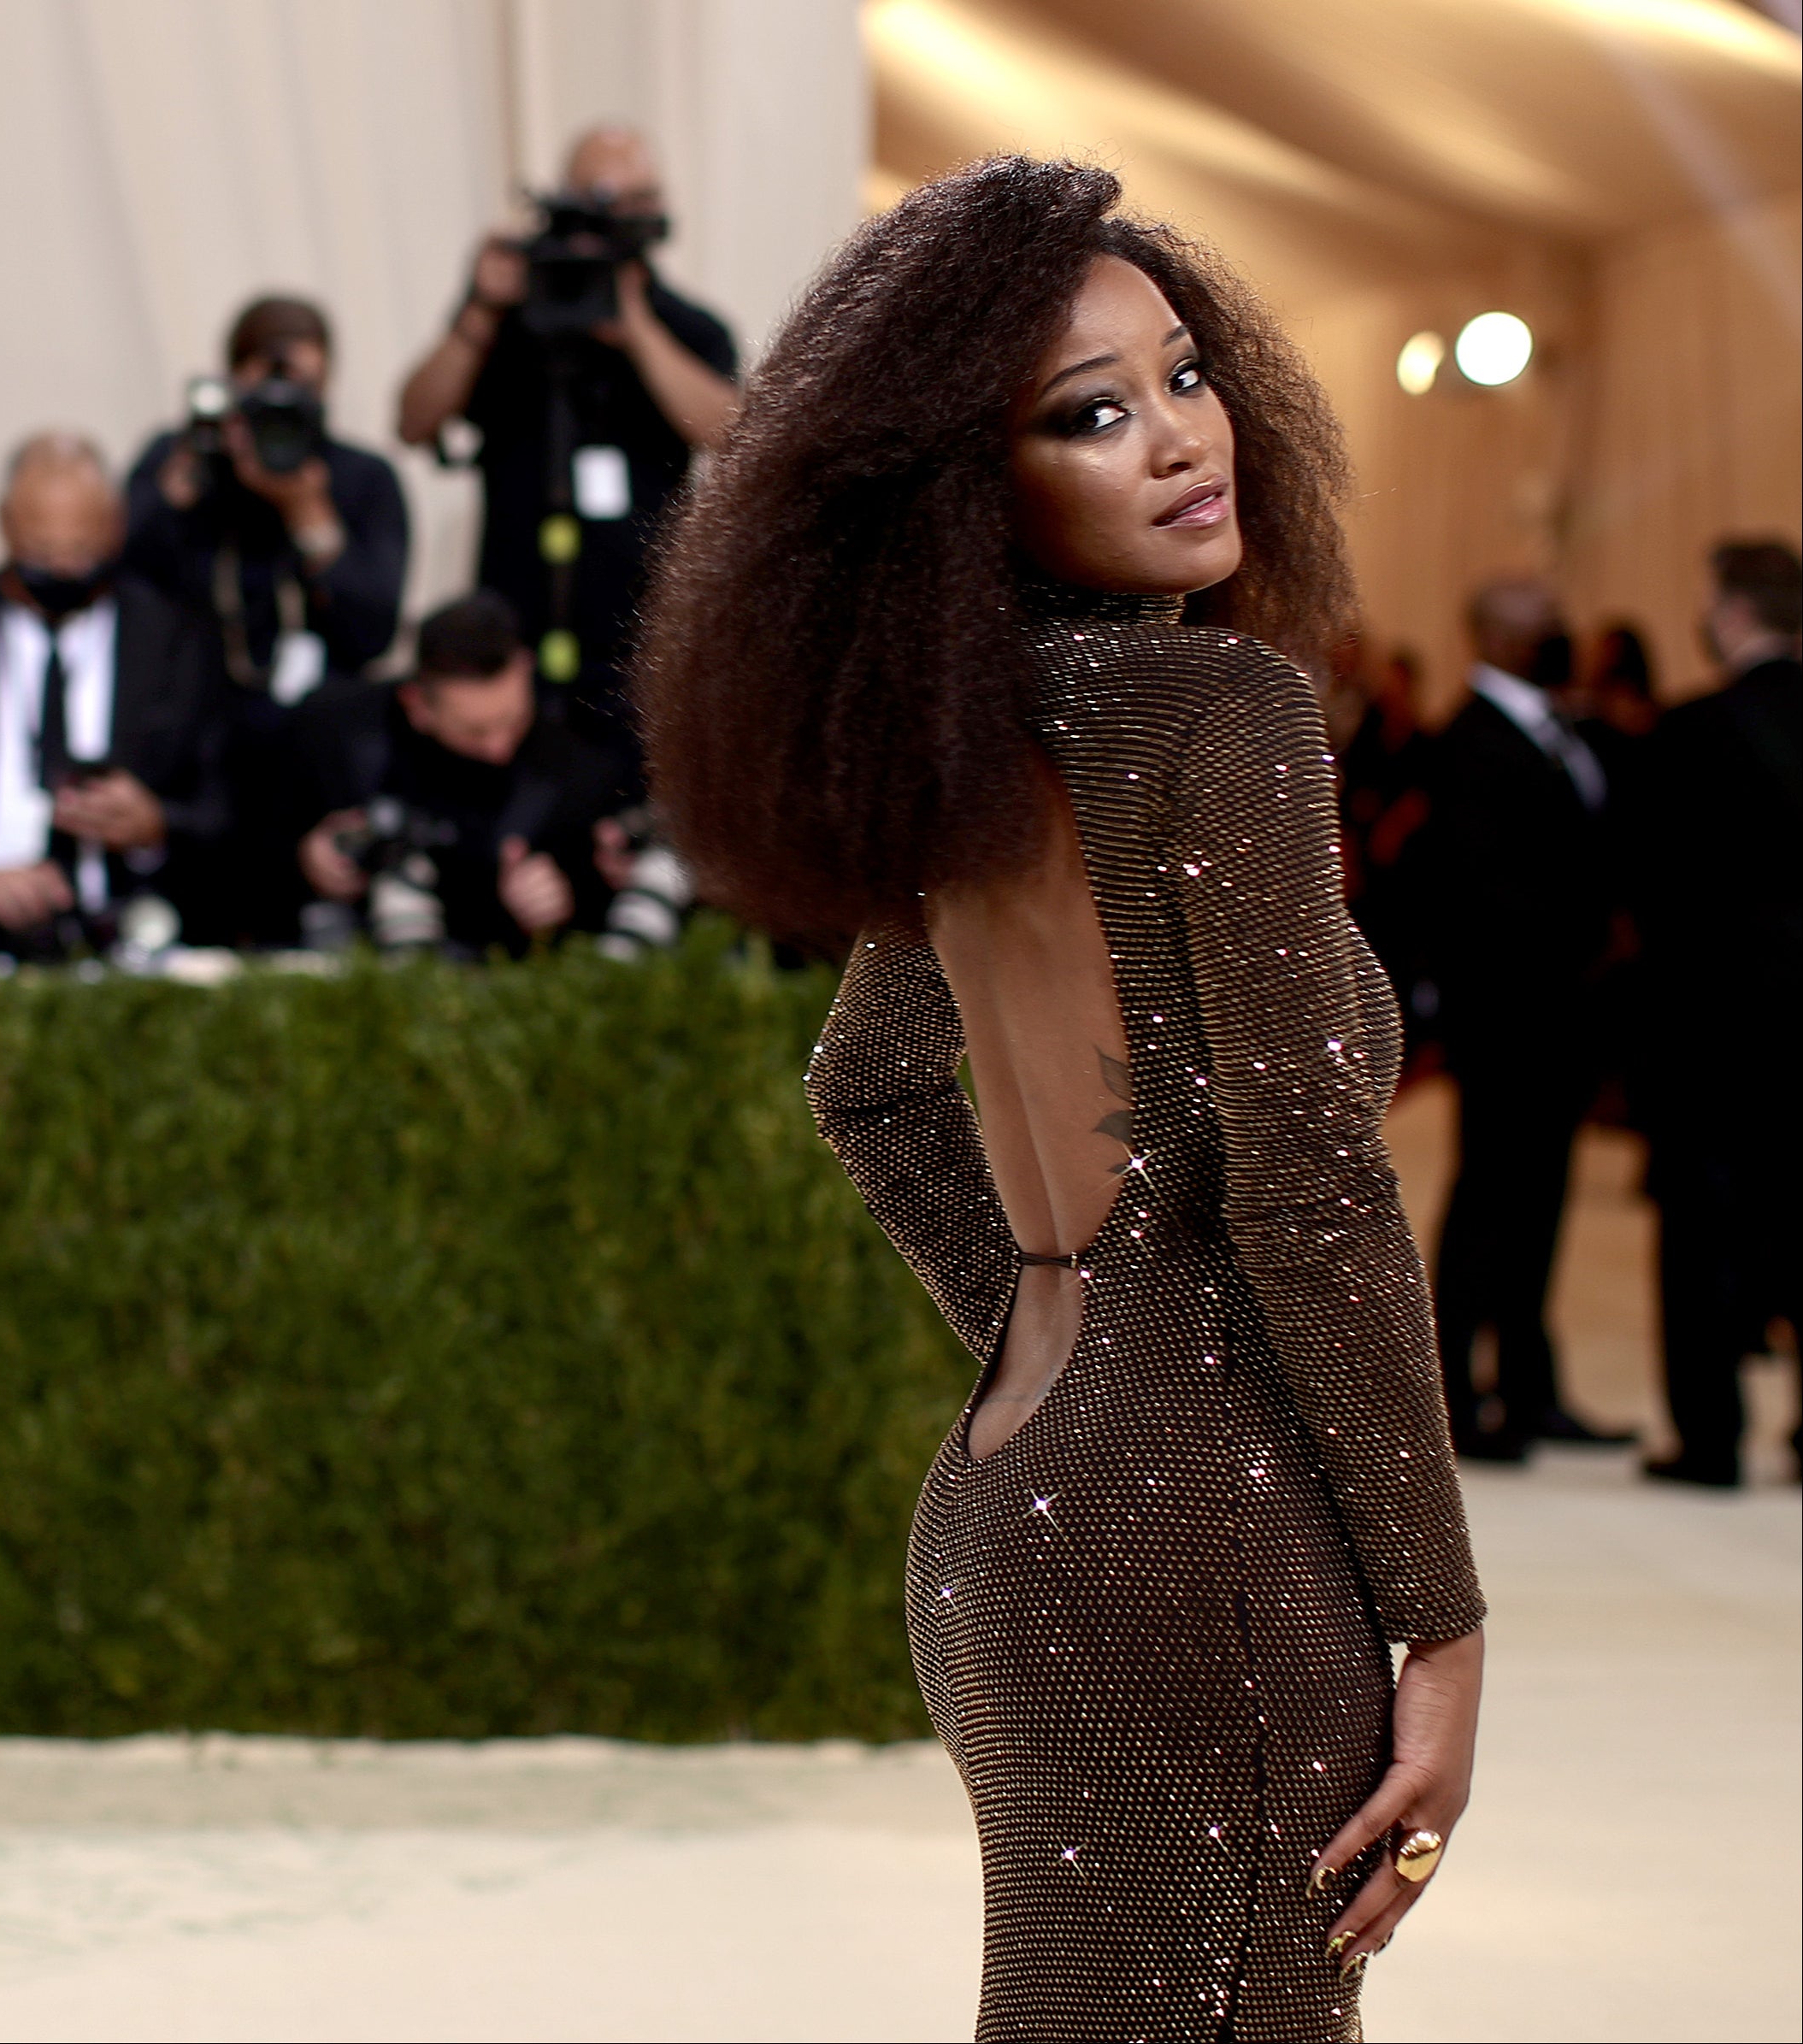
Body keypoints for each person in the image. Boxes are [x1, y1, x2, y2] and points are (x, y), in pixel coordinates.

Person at [636, 158, 1485, 2035]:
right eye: (1087, 415)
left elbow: (864, 1091)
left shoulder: (958, 751)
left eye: (1182, 374)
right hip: (1208, 1525)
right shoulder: (1218, 718)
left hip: (1000, 1506)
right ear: (969, 491)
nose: (1181, 440)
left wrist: (1048, 1332)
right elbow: (1309, 1189)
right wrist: (1442, 1614)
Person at [395, 124, 738, 777]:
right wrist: (479, 311)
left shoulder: (686, 325)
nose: (615, 223)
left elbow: (728, 432)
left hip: (638, 644)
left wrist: (635, 326)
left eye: (636, 203)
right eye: (600, 202)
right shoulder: (512, 315)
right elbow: (414, 421)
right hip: (512, 649)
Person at [0, 434, 227, 958]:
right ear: (4, 524)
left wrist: (154, 826)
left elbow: (223, 802)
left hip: (126, 927)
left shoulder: (174, 636)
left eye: (80, 553)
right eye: (40, 552)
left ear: (116, 527)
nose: (60, 570)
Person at [1412, 579, 1625, 1458]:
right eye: (1541, 627)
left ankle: (1529, 1384)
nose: (1558, 637)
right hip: (1506, 1013)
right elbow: (1483, 889)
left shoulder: (1554, 727)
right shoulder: (1470, 740)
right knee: (1489, 1200)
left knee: (1540, 1201)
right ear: (1498, 635)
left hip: (1560, 1012)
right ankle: (1457, 1394)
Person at [123, 296, 411, 945]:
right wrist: (181, 483)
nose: (282, 403)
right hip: (196, 747)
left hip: (315, 752)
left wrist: (310, 513)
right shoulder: (188, 464)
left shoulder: (360, 479)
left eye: (302, 386)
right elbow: (122, 583)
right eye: (266, 385)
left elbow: (372, 631)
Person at [1633, 539, 1802, 1487]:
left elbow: (1654, 886)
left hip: (1714, 1016)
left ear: (1732, 612)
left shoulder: (1693, 731)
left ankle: (1710, 1438)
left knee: (1703, 1225)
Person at [291, 590, 617, 959]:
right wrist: (308, 857)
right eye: (473, 731)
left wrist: (550, 908)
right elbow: (247, 851)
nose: (499, 748)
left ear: (526, 669)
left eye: (512, 721)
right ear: (416, 705)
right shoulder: (337, 737)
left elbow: (600, 911)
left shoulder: (576, 771)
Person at [1334, 644, 1436, 1060]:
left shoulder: (1424, 743)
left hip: (1409, 876)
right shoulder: (1369, 737)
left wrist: (1396, 824)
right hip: (1372, 876)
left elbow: (1428, 797)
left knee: (1404, 958)